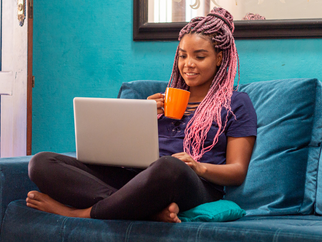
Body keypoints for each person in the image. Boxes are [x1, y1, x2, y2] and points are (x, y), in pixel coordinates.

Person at [26, 7, 257, 223]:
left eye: (199, 56)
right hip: (139, 179)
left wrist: (197, 167)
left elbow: (237, 171)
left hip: (192, 184)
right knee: (42, 163)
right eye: (183, 55)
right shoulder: (162, 100)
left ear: (218, 59)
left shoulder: (236, 103)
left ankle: (80, 213)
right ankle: (143, 209)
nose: (188, 64)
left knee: (169, 167)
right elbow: (122, 152)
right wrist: (142, 117)